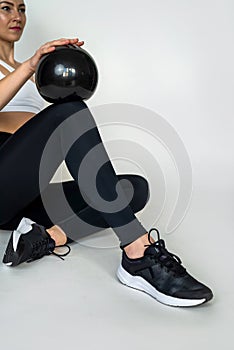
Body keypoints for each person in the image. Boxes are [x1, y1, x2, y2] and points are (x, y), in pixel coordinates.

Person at [0, 0, 213, 307]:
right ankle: (138, 255)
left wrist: (46, 71)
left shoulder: (34, 75)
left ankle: (47, 238)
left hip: (24, 194)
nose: (17, 16)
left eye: (22, 9)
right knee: (70, 113)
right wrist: (29, 66)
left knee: (132, 189)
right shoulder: (25, 70)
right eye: (6, 7)